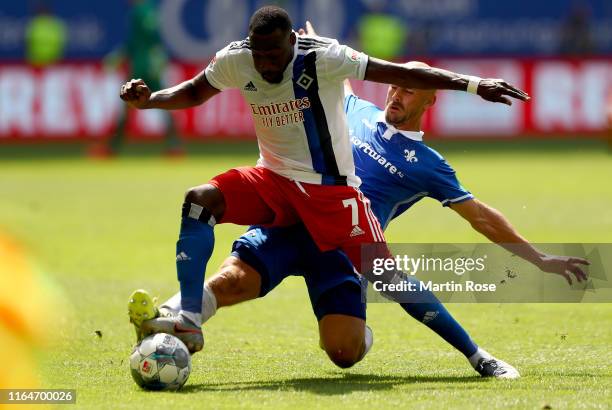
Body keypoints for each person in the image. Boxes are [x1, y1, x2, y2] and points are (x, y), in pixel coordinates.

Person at [121, 6, 530, 354]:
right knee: (203, 206)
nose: (265, 64)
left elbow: (391, 71)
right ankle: (184, 315)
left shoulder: (329, 64)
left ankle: (474, 355)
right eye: (258, 53)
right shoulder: (242, 60)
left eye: (274, 54)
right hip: (276, 183)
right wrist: (151, 99)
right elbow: (194, 92)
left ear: (292, 45)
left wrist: (475, 85)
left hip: (332, 207)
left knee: (349, 341)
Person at [91, 0, 181, 157]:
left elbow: (140, 40)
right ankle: (174, 146)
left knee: (128, 103)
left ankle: (112, 148)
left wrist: (118, 56)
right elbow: (152, 39)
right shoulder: (148, 9)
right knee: (164, 102)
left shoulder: (141, 11)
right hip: (150, 65)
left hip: (141, 65)